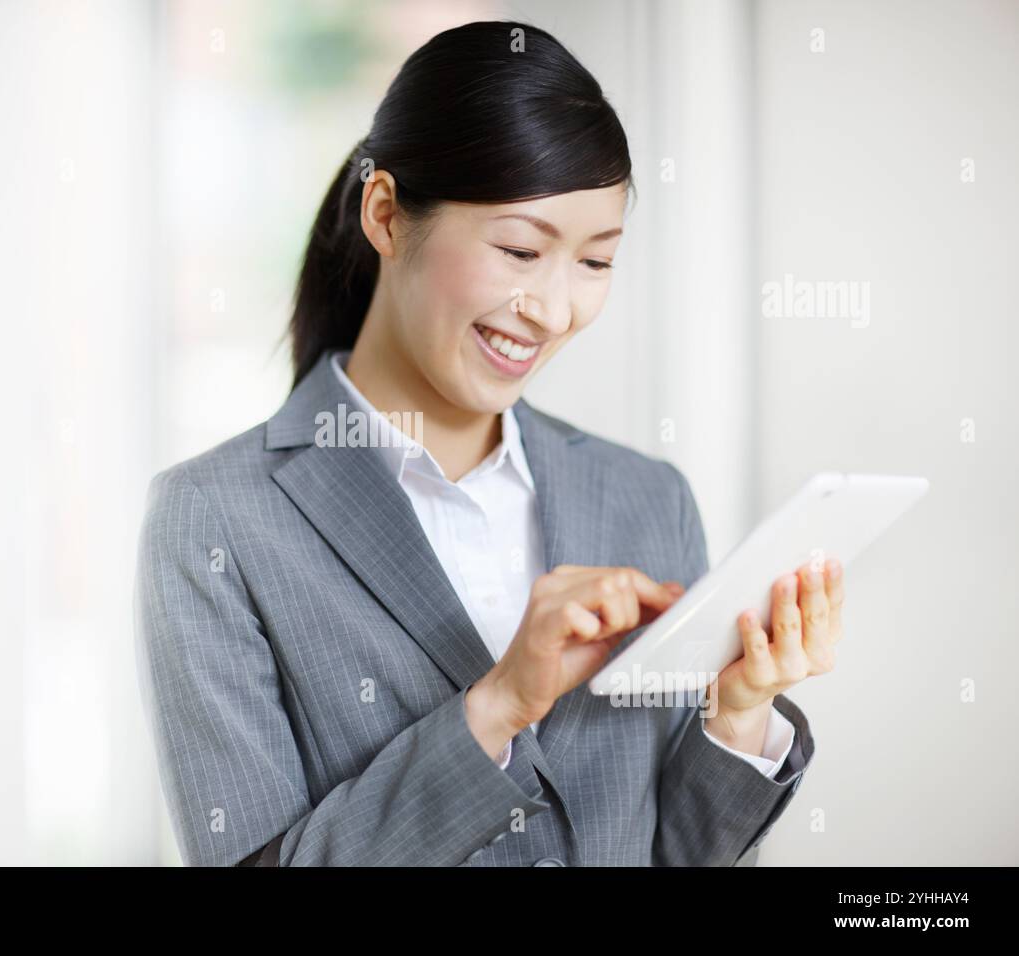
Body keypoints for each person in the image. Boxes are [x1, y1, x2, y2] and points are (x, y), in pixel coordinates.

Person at [134, 19, 842, 867]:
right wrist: (496, 706)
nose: (551, 309)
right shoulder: (215, 520)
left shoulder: (647, 497)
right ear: (387, 215)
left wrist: (739, 713)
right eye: (518, 250)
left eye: (595, 262)